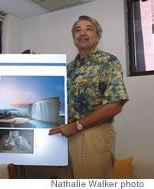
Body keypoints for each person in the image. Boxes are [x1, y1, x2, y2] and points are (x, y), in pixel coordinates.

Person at [49, 15, 129, 179]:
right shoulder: (69, 68)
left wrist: (76, 126)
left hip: (93, 134)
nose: (82, 33)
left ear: (97, 37)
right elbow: (54, 93)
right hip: (66, 136)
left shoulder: (108, 61)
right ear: (74, 38)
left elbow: (115, 105)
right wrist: (37, 64)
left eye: (88, 29)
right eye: (78, 30)